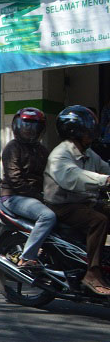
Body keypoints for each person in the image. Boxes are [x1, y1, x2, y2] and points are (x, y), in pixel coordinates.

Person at [44, 105, 110, 295]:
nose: (92, 136)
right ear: (76, 132)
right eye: (88, 132)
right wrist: (103, 180)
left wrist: (107, 175)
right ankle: (92, 272)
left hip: (83, 203)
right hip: (62, 206)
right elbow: (73, 176)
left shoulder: (88, 152)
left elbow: (104, 167)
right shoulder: (61, 154)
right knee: (99, 221)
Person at [0, 108, 54, 269]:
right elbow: (14, 179)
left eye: (33, 126)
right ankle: (27, 257)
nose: (29, 130)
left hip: (34, 197)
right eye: (25, 125)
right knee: (47, 216)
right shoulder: (13, 147)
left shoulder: (41, 150)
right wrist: (39, 196)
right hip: (13, 197)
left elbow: (52, 174)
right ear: (17, 126)